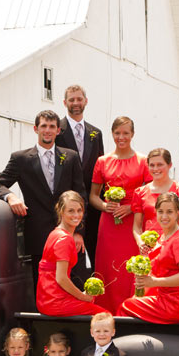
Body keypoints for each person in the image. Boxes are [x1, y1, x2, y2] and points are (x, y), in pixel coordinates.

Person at [0, 110, 87, 289]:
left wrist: (79, 231)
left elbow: (81, 195)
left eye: (51, 127)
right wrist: (10, 197)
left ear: (58, 130)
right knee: (42, 286)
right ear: (36, 129)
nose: (47, 130)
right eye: (43, 126)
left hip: (69, 233)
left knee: (73, 282)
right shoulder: (21, 159)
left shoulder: (71, 157)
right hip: (38, 235)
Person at [89, 116, 152, 313]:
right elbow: (92, 196)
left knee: (131, 268)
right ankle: (105, 312)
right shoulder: (102, 161)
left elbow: (150, 193)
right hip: (108, 224)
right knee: (107, 268)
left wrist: (131, 207)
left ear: (132, 134)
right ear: (112, 134)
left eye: (125, 133)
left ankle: (132, 308)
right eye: (117, 133)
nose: (121, 137)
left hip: (133, 223)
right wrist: (105, 206)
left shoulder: (143, 161)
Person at [118, 192, 179, 323]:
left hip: (178, 303)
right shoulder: (162, 238)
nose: (164, 216)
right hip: (165, 298)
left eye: (169, 212)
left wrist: (154, 282)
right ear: (155, 212)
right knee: (133, 301)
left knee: (126, 307)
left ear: (178, 213)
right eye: (160, 211)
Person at [36, 191, 109, 316]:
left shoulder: (55, 233)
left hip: (46, 299)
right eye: (71, 211)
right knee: (104, 316)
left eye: (79, 210)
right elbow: (61, 278)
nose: (76, 215)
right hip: (55, 301)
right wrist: (83, 296)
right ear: (61, 212)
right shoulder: (65, 239)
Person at [56, 85, 104, 273]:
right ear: (64, 102)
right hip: (67, 204)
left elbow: (100, 170)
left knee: (94, 253)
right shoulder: (57, 130)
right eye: (71, 100)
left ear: (85, 101)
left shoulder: (96, 133)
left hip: (92, 205)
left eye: (79, 99)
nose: (75, 103)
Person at [131, 148, 179, 245]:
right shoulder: (140, 192)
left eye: (160, 164)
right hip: (149, 246)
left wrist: (169, 240)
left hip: (172, 245)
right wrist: (140, 242)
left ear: (169, 165)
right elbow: (137, 226)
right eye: (152, 165)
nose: (156, 169)